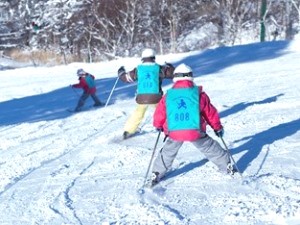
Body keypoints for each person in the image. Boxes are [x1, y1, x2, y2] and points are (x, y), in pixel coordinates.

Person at [150, 63, 236, 186]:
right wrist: (217, 127)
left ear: (175, 77)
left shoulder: (168, 96)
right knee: (210, 147)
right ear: (191, 77)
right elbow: (210, 113)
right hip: (194, 130)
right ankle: (227, 165)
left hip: (174, 131)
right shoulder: (199, 94)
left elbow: (160, 112)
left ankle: (157, 173)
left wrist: (158, 124)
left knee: (168, 151)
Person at [117, 48, 175, 139]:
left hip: (141, 97)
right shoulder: (159, 69)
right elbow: (173, 74)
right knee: (161, 111)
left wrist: (120, 72)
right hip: (156, 97)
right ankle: (165, 127)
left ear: (143, 58)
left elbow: (126, 78)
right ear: (153, 57)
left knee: (138, 113)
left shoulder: (138, 70)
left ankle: (128, 131)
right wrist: (170, 67)